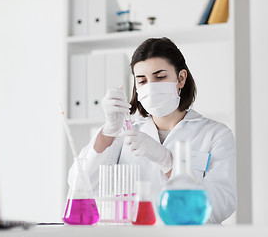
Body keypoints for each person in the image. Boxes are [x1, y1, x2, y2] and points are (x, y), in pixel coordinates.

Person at [68, 37, 237, 224]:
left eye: (160, 77)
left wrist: (168, 162)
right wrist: (109, 130)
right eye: (142, 81)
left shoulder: (215, 135)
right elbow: (80, 187)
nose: (151, 86)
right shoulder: (122, 132)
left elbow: (221, 205)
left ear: (181, 78)